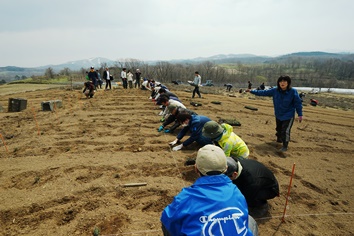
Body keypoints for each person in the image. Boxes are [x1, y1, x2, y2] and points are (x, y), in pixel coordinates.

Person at [161, 145, 257, 236]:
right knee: (250, 220)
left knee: (168, 221)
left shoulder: (185, 197)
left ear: (196, 169)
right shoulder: (236, 191)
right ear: (226, 168)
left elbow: (168, 220)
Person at [247, 75, 303, 152]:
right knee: (279, 129)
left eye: (284, 81)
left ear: (288, 83)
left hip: (288, 115)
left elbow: (298, 103)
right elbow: (263, 92)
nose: (282, 83)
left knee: (285, 131)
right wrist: (251, 91)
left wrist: (300, 114)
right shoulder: (275, 90)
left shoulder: (293, 92)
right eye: (281, 81)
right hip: (278, 114)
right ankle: (279, 139)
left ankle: (285, 146)